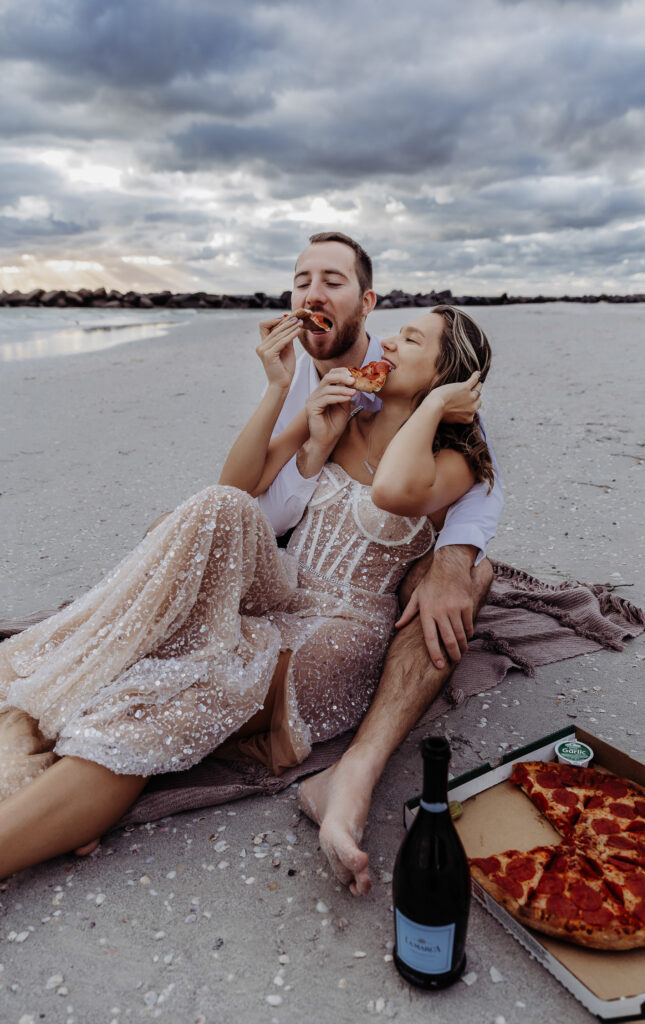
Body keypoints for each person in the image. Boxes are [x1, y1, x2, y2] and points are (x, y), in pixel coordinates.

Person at [0, 303, 492, 889]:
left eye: (411, 340)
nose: (387, 342)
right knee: (222, 506)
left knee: (154, 701)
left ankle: (72, 792)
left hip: (339, 629)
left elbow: (391, 490)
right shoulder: (348, 421)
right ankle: (81, 657)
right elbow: (237, 485)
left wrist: (433, 405)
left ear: (447, 375)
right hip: (283, 588)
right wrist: (305, 422)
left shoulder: (454, 462)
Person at [247, 233, 502, 893]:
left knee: (470, 575)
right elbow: (252, 496)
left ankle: (352, 780)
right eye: (300, 279)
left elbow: (476, 482)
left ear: (365, 302)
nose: (310, 295)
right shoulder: (319, 378)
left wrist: (454, 558)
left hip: (353, 609)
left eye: (330, 280)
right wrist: (293, 416)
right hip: (289, 563)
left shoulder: (413, 392)